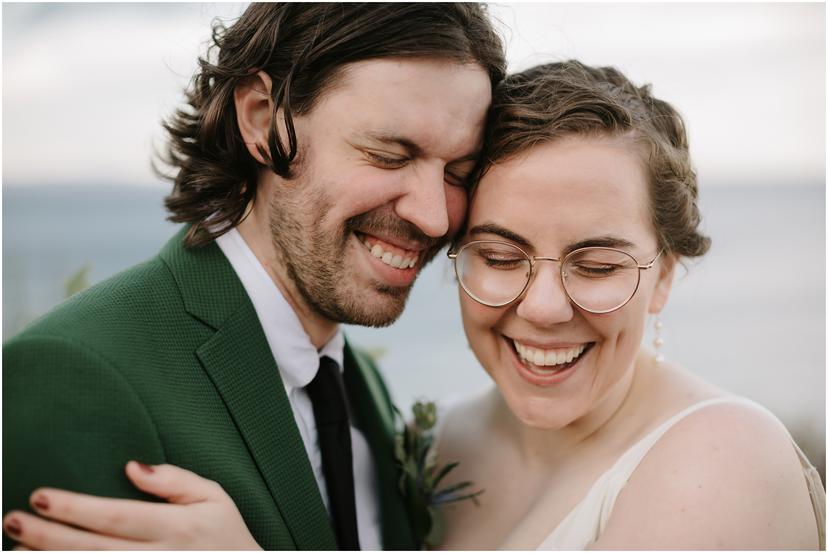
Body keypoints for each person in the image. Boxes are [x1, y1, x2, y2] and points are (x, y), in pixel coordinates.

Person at [5, 60, 824, 550]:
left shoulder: (725, 460)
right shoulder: (441, 440)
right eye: (499, 256)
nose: (541, 308)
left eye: (599, 264)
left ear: (669, 271)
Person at [1, 3, 506, 551]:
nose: (434, 216)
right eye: (387, 155)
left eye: (459, 172)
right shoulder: (74, 377)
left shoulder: (359, 386)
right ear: (263, 118)